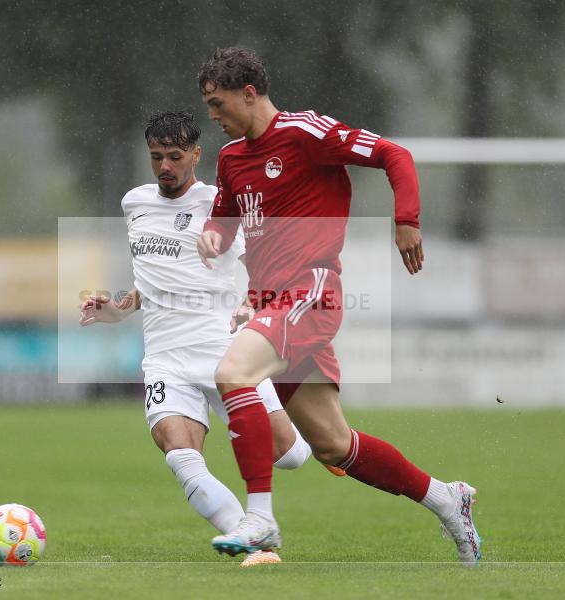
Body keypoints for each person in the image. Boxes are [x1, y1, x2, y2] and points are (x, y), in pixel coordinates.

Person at [196, 47, 482, 564]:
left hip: (310, 291)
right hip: (270, 303)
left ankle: (259, 517)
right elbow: (224, 222)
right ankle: (446, 497)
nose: (212, 117)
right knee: (333, 445)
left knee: (233, 372)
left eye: (218, 104)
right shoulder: (231, 159)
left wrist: (407, 220)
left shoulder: (306, 133)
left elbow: (395, 155)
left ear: (249, 93)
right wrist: (213, 239)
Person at [79, 110, 313, 567]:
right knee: (178, 452)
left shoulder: (220, 203)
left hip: (225, 351)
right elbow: (153, 277)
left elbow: (263, 261)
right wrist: (119, 309)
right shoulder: (135, 203)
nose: (164, 166)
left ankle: (321, 436)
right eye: (156, 157)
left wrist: (253, 301)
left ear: (196, 155)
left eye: (174, 156)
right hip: (165, 357)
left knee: (291, 456)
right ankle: (254, 541)